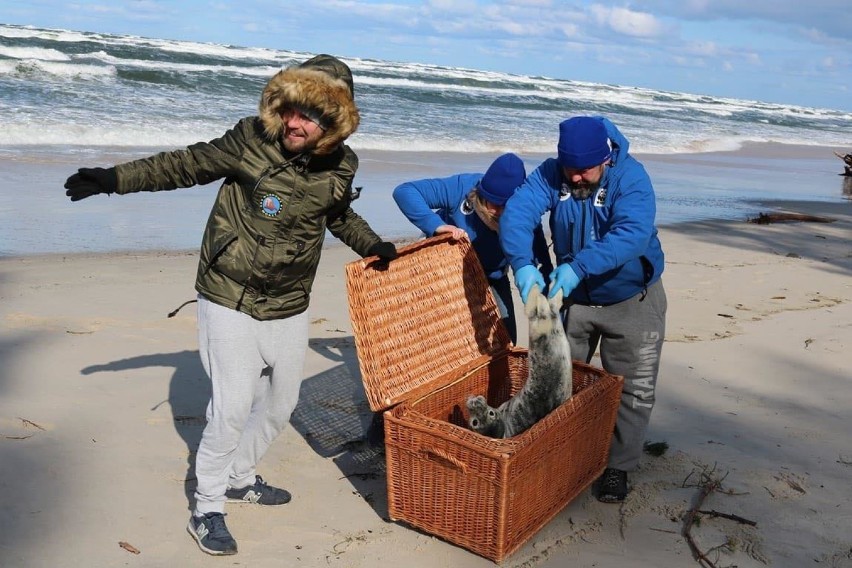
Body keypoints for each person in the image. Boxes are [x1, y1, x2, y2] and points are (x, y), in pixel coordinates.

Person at [64, 54, 397, 556]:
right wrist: (113, 180)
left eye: (307, 114)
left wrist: (374, 244)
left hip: (289, 301)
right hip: (229, 294)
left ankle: (241, 477)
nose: (292, 122)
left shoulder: (342, 164)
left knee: (282, 401)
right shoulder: (250, 141)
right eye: (289, 109)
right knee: (233, 406)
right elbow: (183, 164)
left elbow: (339, 215)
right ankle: (207, 506)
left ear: (334, 122)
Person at [499, 116, 666, 503]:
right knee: (552, 383)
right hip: (572, 302)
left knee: (633, 391)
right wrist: (523, 264)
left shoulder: (632, 179)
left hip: (632, 300)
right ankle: (556, 454)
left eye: (584, 171)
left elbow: (632, 234)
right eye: (569, 171)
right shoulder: (553, 173)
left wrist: (578, 267)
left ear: (605, 158)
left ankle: (618, 466)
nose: (575, 179)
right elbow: (519, 212)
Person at [392, 153, 553, 344]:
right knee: (436, 336)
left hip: (491, 274)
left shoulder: (524, 211)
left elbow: (538, 257)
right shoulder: (463, 187)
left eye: (507, 207)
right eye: (495, 204)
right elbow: (404, 191)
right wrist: (436, 225)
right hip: (442, 267)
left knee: (507, 340)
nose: (500, 213)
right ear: (482, 194)